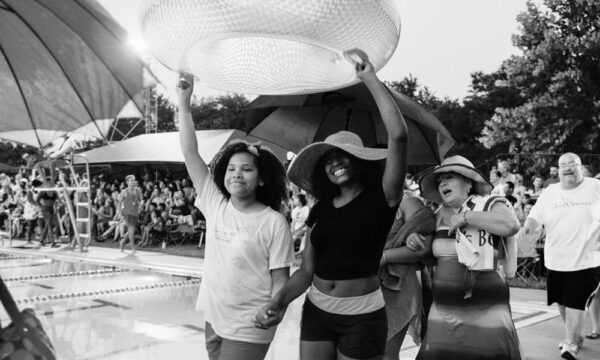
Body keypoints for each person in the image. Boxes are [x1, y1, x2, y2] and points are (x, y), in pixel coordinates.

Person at [255, 51, 408, 360]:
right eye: (330, 158)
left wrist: (370, 79)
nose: (337, 162)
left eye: (345, 155)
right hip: (318, 311)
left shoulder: (383, 197)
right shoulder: (321, 208)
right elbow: (306, 271)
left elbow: (399, 136)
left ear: (360, 161)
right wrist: (279, 301)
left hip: (363, 316)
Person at [177, 73, 294, 360]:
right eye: (231, 169)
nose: (236, 174)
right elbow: (191, 154)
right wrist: (184, 103)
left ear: (262, 179)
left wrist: (277, 306)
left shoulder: (273, 222)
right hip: (215, 319)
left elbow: (281, 278)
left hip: (251, 322)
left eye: (246, 169)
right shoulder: (216, 203)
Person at [414, 155, 522, 360]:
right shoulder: (435, 215)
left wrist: (466, 217)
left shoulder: (490, 203)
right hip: (443, 310)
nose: (442, 183)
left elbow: (511, 225)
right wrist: (414, 239)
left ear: (468, 183)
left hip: (487, 308)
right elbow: (426, 256)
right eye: (439, 181)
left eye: (449, 177)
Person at [523, 153, 600, 360]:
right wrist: (528, 228)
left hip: (586, 260)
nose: (567, 168)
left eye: (572, 164)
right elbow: (534, 217)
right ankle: (575, 336)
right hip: (556, 259)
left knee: (577, 302)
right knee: (563, 302)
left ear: (580, 167)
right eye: (563, 165)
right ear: (558, 169)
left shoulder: (595, 187)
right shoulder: (550, 192)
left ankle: (570, 344)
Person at [379, 194, 435, 360]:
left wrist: (383, 257)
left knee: (386, 354)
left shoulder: (407, 202)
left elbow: (423, 247)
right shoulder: (352, 199)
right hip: (360, 285)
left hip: (397, 286)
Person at [117, 175, 142, 255]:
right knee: (131, 231)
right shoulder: (124, 192)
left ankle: (122, 242)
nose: (133, 182)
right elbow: (119, 204)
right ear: (127, 182)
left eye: (134, 180)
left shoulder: (138, 190)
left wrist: (141, 204)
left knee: (131, 231)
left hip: (135, 213)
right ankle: (133, 248)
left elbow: (140, 200)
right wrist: (120, 214)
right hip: (127, 213)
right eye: (131, 180)